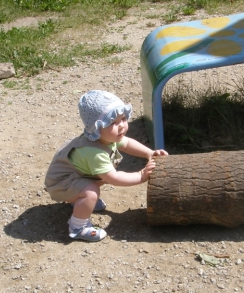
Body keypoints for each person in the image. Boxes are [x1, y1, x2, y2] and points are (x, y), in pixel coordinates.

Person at [45, 90, 168, 242]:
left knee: (98, 179)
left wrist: (149, 153)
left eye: (123, 119)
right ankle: (77, 227)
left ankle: (80, 200)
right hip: (61, 183)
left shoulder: (106, 138)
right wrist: (140, 175)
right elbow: (114, 178)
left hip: (76, 175)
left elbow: (127, 144)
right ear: (96, 128)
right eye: (112, 123)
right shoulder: (94, 153)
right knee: (91, 192)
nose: (121, 126)